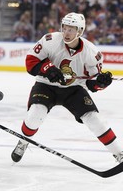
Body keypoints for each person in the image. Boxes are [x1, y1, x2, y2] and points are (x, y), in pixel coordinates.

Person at [11, 12, 123, 164]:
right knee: (35, 115)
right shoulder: (49, 40)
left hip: (74, 89)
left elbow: (92, 83)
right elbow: (31, 62)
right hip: (46, 86)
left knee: (95, 120)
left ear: (80, 31)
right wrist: (48, 69)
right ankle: (23, 142)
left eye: (71, 29)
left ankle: (118, 153)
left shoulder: (91, 52)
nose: (66, 32)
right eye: (65, 28)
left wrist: (101, 82)